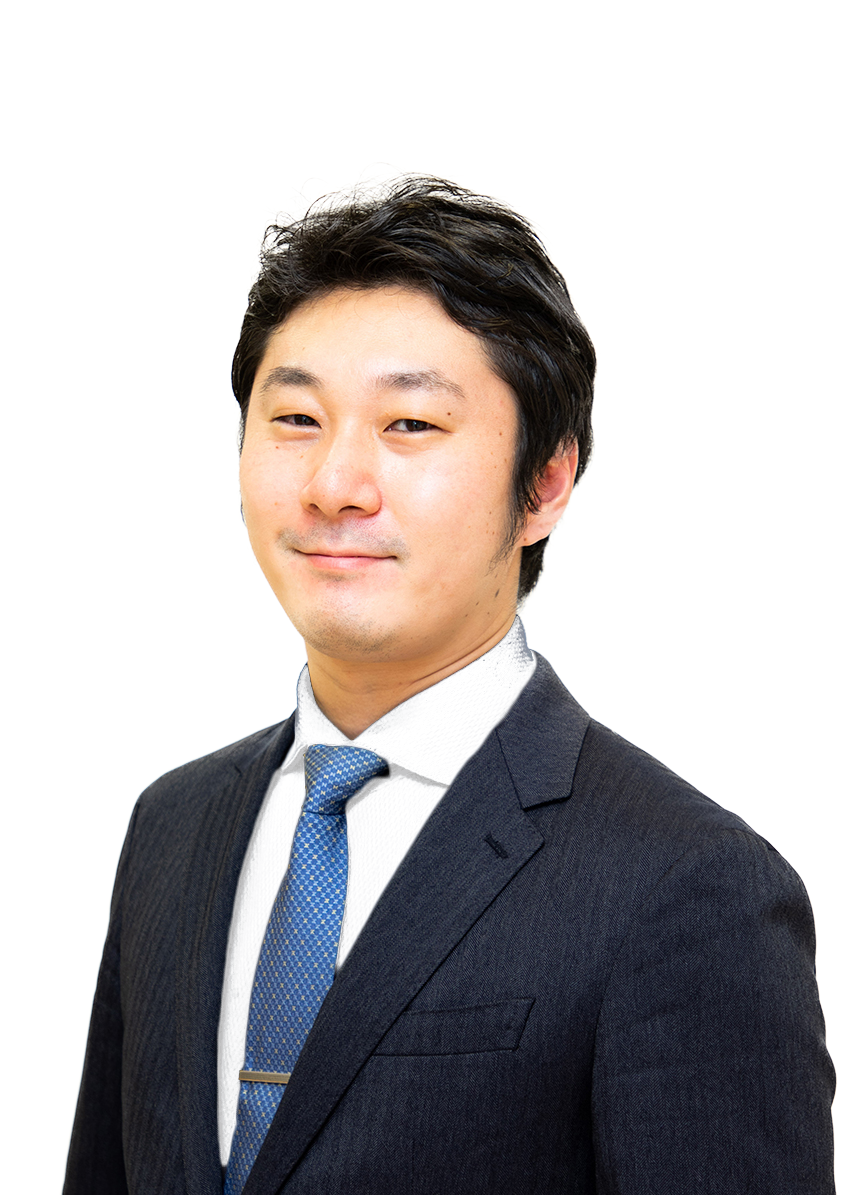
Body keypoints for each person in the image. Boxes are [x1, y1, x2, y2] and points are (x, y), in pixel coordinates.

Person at [64, 177, 835, 1194]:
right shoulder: (173, 826)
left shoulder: (687, 884)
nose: (334, 485)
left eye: (411, 425)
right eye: (294, 417)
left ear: (545, 482)